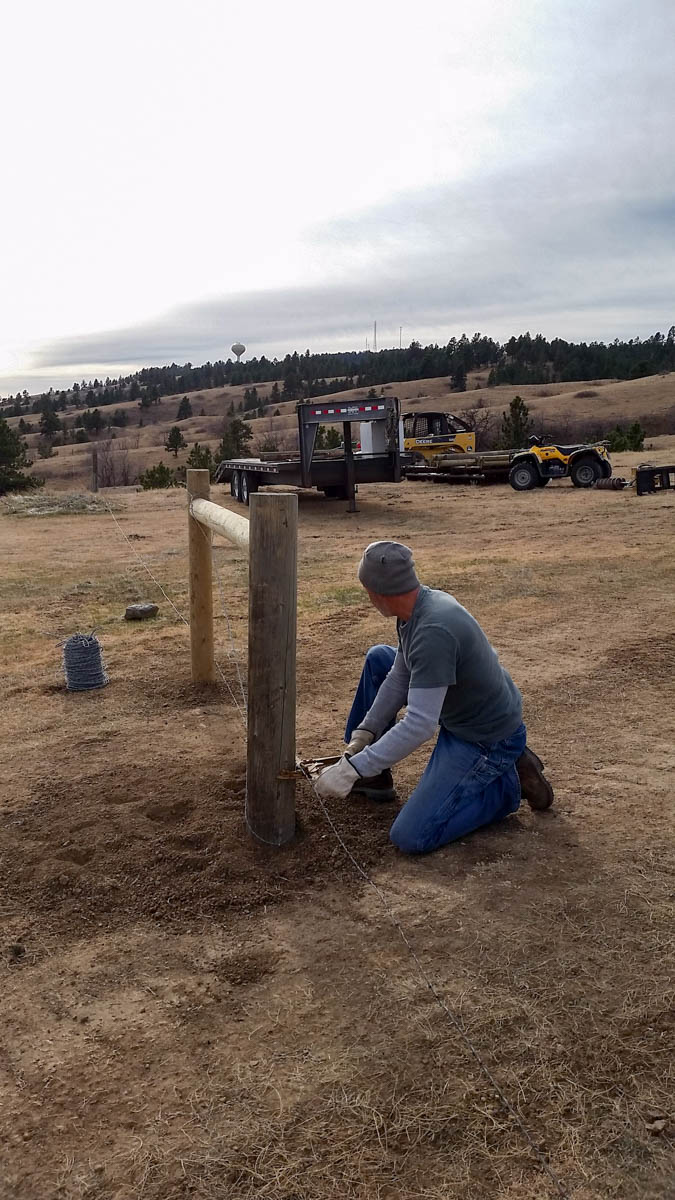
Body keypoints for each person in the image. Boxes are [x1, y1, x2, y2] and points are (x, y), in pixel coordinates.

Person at [315, 541, 553, 854]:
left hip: (483, 739)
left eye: (367, 589)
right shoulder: (415, 607)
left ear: (379, 591)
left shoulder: (433, 630)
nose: (367, 597)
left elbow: (419, 725)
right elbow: (400, 675)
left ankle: (507, 785)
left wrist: (353, 769)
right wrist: (364, 734)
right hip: (461, 711)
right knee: (379, 658)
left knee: (412, 835)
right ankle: (374, 780)